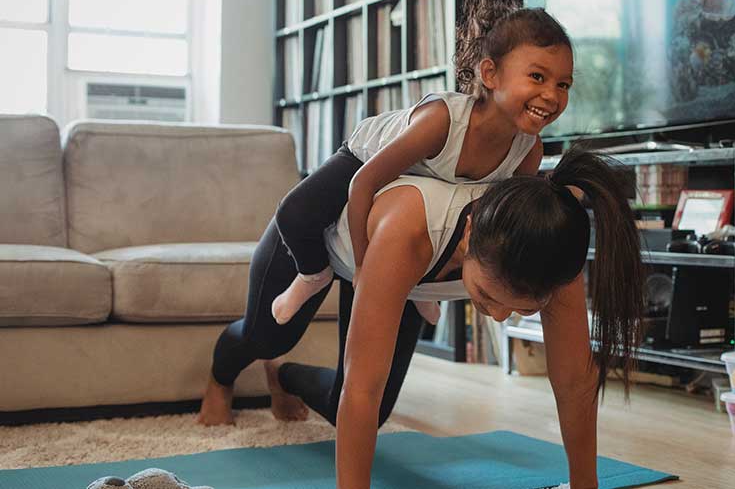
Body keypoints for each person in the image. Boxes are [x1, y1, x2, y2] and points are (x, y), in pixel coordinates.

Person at [199, 147, 645, 489]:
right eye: (489, 296)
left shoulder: (551, 247)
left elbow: (574, 382)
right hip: (312, 246)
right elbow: (363, 385)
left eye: (524, 308)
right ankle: (222, 376)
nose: (504, 317)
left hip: (397, 278)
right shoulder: (413, 230)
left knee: (360, 414)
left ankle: (284, 377)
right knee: (267, 337)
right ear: (469, 235)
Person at [270, 0, 574, 326]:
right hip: (362, 158)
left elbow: (493, 223)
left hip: (430, 186)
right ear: (490, 74)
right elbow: (363, 183)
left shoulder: (528, 151)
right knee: (293, 214)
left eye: (563, 84)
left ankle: (418, 294)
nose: (552, 95)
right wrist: (362, 267)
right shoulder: (442, 121)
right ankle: (312, 275)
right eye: (537, 77)